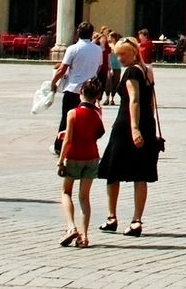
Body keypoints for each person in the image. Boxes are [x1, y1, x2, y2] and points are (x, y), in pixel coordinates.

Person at [97, 37, 160, 238]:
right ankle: (136, 220)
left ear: (133, 53)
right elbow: (150, 101)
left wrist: (134, 128)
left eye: (123, 54)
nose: (119, 58)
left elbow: (134, 101)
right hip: (147, 124)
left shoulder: (132, 71)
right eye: (117, 54)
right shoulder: (148, 70)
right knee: (140, 173)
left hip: (126, 124)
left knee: (112, 169)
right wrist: (148, 127)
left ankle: (112, 217)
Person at [57, 76, 104, 249]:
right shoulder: (97, 113)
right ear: (97, 96)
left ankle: (71, 227)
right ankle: (84, 236)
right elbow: (97, 133)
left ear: (80, 93)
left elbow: (68, 140)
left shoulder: (72, 113)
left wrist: (61, 161)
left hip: (74, 156)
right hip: (92, 157)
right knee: (84, 197)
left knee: (66, 192)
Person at [50, 23, 103, 158]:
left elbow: (62, 69)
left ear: (78, 33)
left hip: (73, 88)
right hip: (89, 90)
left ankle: (59, 146)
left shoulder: (73, 49)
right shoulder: (97, 50)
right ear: (91, 34)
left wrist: (53, 83)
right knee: (87, 118)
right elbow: (98, 68)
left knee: (67, 118)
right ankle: (84, 143)